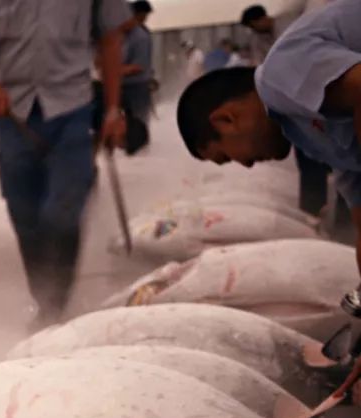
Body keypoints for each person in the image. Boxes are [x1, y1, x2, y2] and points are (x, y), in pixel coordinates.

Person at [175, 0, 361, 295]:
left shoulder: (279, 74)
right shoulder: (308, 135)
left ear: (226, 119)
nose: (247, 165)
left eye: (226, 157)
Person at [0, 0, 128, 326]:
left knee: (62, 212)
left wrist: (112, 110)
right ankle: (43, 298)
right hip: (11, 111)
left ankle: (56, 307)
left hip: (72, 109)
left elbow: (110, 40)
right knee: (24, 213)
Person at [121, 1, 154, 126]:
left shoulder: (139, 36)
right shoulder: (125, 35)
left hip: (136, 87)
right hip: (126, 86)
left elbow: (138, 67)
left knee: (138, 124)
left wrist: (111, 71)